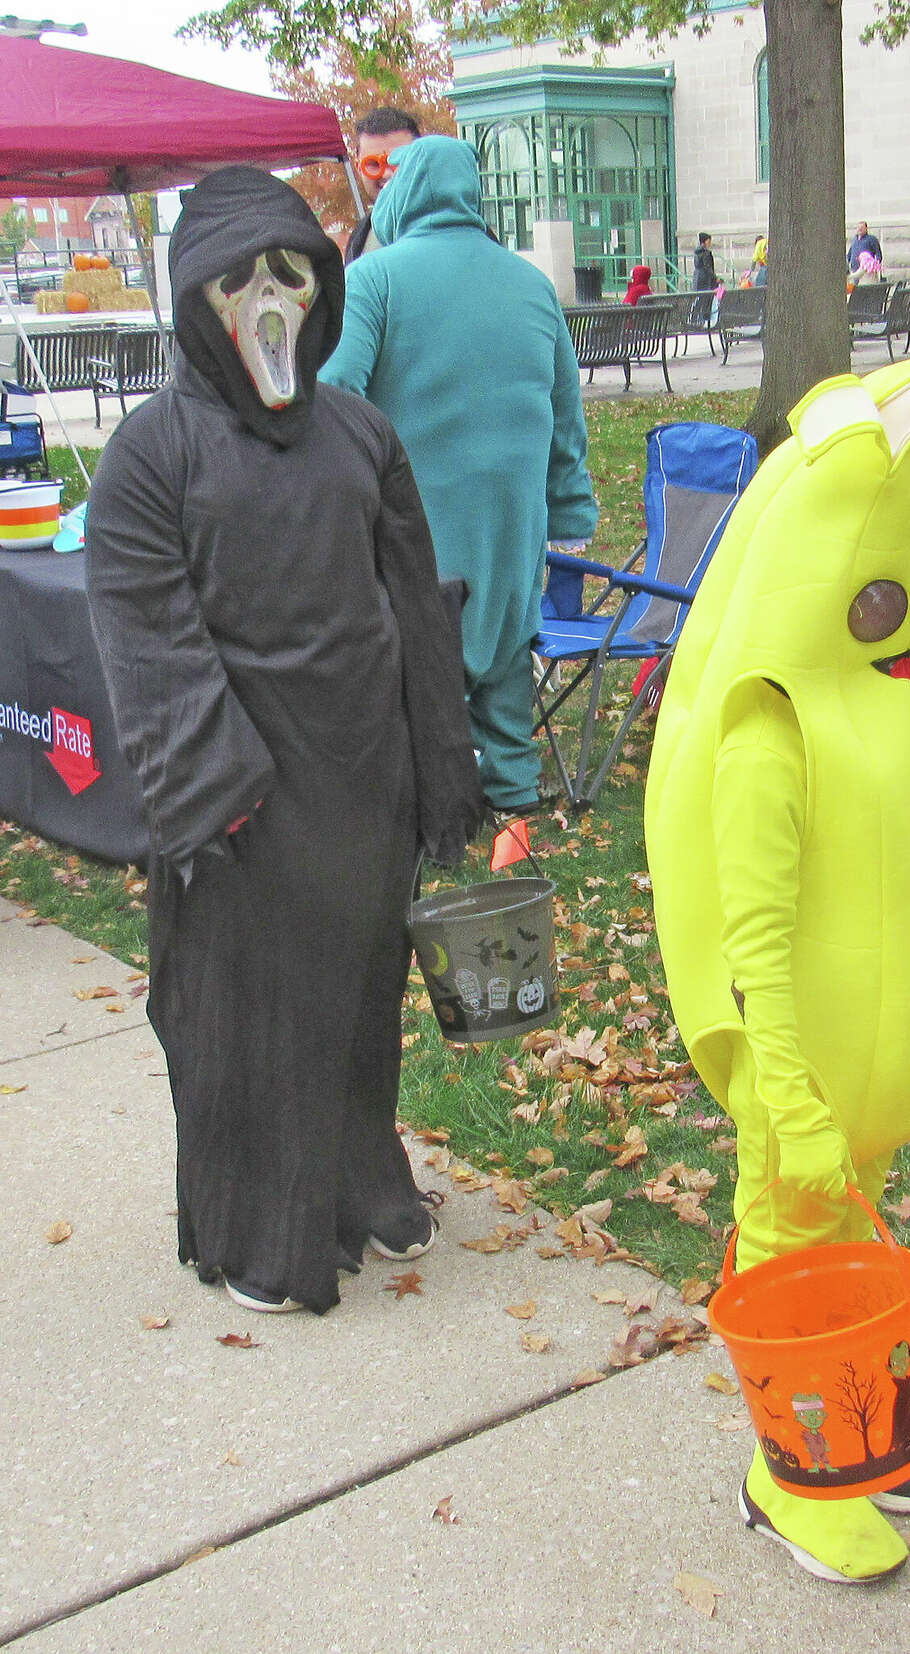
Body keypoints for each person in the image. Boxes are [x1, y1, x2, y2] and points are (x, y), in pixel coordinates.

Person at [644, 304, 910, 1584]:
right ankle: (791, 1469)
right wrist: (789, 1090)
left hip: (869, 1076)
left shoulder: (898, 695)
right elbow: (753, 935)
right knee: (788, 1251)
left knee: (855, 1240)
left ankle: (867, 1429)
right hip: (800, 1082)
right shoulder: (769, 725)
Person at [86, 167, 483, 1316]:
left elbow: (413, 603)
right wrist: (216, 786)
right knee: (247, 1019)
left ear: (321, 286)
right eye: (239, 281)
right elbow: (147, 637)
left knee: (358, 1009)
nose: (267, 300)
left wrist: (436, 762)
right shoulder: (149, 457)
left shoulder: (363, 435)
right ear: (196, 301)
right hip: (247, 808)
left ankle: (364, 1184)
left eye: (289, 273)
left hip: (364, 785)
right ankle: (268, 1229)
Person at [320, 137, 598, 813]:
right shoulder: (531, 284)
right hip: (511, 519)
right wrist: (570, 514)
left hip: (415, 522)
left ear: (405, 193)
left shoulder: (373, 279)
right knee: (504, 653)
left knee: (416, 659)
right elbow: (565, 416)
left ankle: (424, 797)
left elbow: (335, 393)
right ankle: (514, 791)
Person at [345, 106, 421, 264]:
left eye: (398, 161)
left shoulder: (459, 229)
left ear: (419, 162)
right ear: (359, 167)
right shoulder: (360, 237)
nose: (387, 174)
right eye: (373, 164)